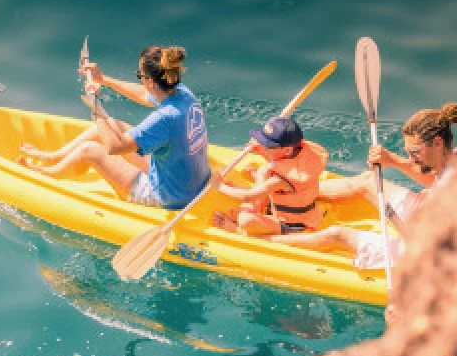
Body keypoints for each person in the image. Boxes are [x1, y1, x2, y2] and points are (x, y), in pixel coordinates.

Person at [267, 102, 457, 270]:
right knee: (367, 181)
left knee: (338, 235)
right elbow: (431, 178)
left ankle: (264, 241)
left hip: (427, 254)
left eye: (415, 153)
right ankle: (294, 192)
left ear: (437, 143)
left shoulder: (455, 194)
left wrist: (389, 214)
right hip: (425, 213)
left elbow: (424, 246)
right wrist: (390, 159)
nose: (412, 159)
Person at [19, 45, 211, 210]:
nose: (140, 80)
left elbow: (115, 147)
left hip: (169, 197)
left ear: (151, 81)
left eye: (140, 76)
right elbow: (145, 95)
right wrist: (103, 79)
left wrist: (95, 106)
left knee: (90, 150)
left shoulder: (164, 118)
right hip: (190, 181)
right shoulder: (183, 95)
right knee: (111, 125)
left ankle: (46, 175)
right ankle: (53, 157)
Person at [211, 116, 329, 236]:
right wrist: (262, 150)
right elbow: (278, 158)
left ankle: (238, 230)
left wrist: (219, 186)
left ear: (287, 150)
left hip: (292, 224)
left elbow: (247, 197)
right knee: (264, 170)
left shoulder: (281, 180)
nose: (264, 147)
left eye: (267, 146)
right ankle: (257, 204)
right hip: (294, 207)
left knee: (246, 221)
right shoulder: (299, 151)